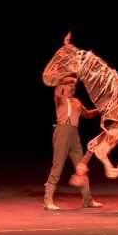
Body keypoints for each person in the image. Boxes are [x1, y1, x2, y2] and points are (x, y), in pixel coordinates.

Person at [43, 76, 102, 210]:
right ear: (63, 86)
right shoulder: (59, 98)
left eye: (73, 85)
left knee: (81, 167)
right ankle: (48, 201)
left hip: (74, 134)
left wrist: (100, 110)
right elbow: (57, 91)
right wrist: (62, 80)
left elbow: (87, 114)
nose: (71, 86)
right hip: (62, 132)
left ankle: (87, 200)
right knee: (57, 166)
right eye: (69, 84)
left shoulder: (76, 101)